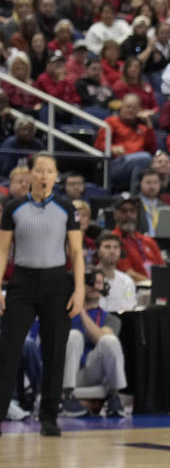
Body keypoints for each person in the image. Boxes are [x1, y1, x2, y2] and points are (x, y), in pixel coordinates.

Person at [0, 153, 85, 437]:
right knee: (8, 350)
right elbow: (2, 251)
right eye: (40, 170)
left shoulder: (65, 208)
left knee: (54, 352)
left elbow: (76, 252)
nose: (44, 175)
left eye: (50, 171)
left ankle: (49, 416)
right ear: (31, 175)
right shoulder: (13, 208)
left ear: (55, 176)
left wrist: (80, 290)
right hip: (21, 283)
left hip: (56, 283)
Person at [61, 268, 127, 418]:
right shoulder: (64, 314)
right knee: (74, 335)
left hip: (91, 372)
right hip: (66, 371)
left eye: (99, 283)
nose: (95, 287)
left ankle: (114, 396)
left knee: (109, 341)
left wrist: (82, 311)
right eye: (90, 282)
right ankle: (67, 395)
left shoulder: (111, 319)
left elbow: (101, 338)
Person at [95, 93, 158, 191]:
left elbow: (152, 149)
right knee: (144, 158)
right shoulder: (111, 122)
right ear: (121, 107)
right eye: (128, 106)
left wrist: (149, 125)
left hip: (139, 162)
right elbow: (98, 144)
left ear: (139, 111)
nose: (130, 109)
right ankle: (136, 195)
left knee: (159, 163)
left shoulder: (142, 128)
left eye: (134, 107)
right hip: (116, 164)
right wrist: (112, 148)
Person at [110, 194, 164, 282]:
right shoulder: (113, 240)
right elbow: (128, 273)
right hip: (132, 288)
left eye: (132, 211)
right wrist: (154, 285)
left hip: (155, 286)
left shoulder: (148, 241)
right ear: (115, 214)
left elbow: (162, 269)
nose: (129, 215)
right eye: (124, 211)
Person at [95, 233, 137, 313]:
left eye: (116, 247)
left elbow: (130, 308)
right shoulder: (88, 279)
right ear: (98, 251)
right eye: (107, 247)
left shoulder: (127, 281)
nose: (112, 251)